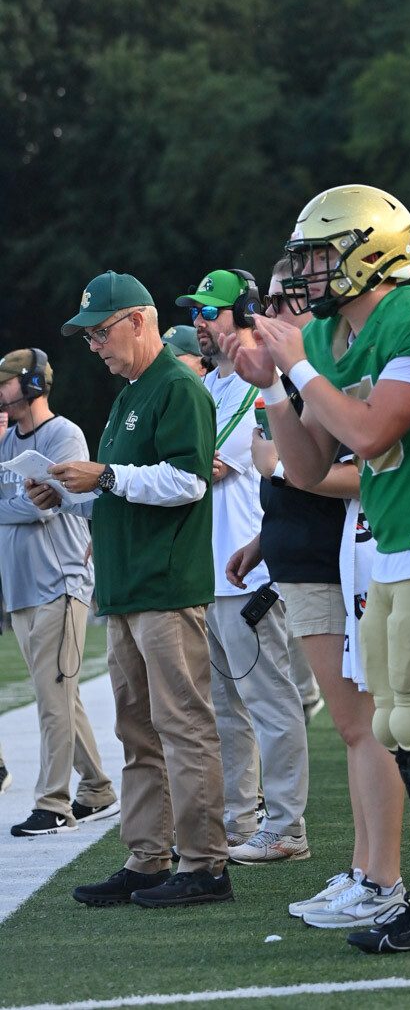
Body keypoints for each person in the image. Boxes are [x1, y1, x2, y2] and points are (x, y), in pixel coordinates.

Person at [224, 185, 410, 953]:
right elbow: (308, 468)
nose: (305, 274)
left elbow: (374, 432)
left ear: (370, 251)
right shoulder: (327, 336)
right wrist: (274, 387)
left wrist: (298, 368)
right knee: (390, 724)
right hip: (394, 544)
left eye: (319, 256)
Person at [27, 271, 231, 908]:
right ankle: (147, 857)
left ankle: (205, 864)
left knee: (182, 727)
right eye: (89, 338)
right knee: (138, 732)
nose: (95, 347)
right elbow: (119, 493)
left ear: (138, 321)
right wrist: (64, 494)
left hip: (164, 586)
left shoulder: (178, 386)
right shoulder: (133, 393)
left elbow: (188, 482)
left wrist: (106, 475)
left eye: (100, 333)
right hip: (126, 587)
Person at [230, 266, 406, 928]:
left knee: (367, 727)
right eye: (269, 299)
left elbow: (362, 469)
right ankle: (366, 869)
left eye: (288, 298)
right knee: (357, 728)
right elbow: (295, 472)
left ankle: (381, 875)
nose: (273, 311)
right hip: (305, 558)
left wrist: (278, 468)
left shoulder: (334, 366)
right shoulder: (303, 371)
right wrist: (265, 539)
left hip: (342, 560)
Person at [173, 268, 310, 863]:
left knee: (269, 702)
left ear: (246, 314)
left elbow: (208, 466)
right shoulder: (209, 386)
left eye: (211, 311)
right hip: (209, 569)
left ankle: (286, 826)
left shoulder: (263, 380)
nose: (200, 322)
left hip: (247, 570)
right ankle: (242, 820)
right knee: (226, 710)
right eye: (196, 312)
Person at [0, 348, 118, 836]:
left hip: (59, 583)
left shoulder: (63, 434)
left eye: (5, 382)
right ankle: (97, 789)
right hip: (22, 588)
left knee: (52, 699)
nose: (0, 391)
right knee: (60, 695)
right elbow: (17, 501)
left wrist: (13, 502)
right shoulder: (8, 440)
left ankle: (53, 804)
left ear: (32, 384)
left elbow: (42, 506)